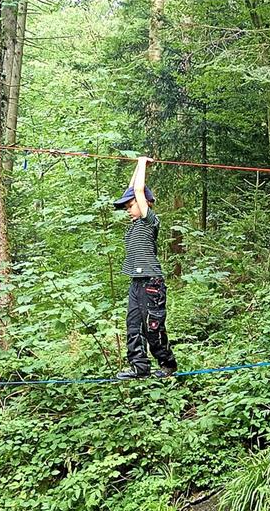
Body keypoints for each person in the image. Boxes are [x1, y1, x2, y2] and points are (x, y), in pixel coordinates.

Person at [113, 157, 177, 380]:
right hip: (136, 282)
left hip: (152, 282)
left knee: (153, 327)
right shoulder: (134, 225)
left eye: (131, 206)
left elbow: (138, 190)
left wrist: (142, 162)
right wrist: (140, 167)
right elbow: (132, 189)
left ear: (145, 204)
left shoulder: (150, 221)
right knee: (133, 326)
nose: (128, 210)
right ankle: (139, 368)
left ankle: (167, 364)